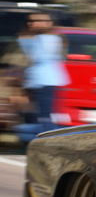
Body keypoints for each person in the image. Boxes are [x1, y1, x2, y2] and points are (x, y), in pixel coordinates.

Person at [14, 12, 70, 144]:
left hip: (44, 81)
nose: (32, 23)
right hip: (39, 81)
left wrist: (25, 39)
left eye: (37, 21)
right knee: (37, 115)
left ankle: (48, 143)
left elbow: (37, 57)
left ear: (48, 24)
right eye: (30, 21)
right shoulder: (49, 38)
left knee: (44, 116)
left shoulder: (48, 39)